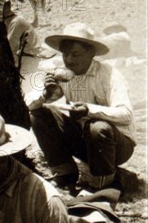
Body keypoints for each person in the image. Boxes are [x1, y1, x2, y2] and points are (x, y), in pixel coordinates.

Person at [26, 23, 136, 191]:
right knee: (39, 114)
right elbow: (29, 104)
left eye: (76, 54)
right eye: (65, 55)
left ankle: (102, 184)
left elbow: (126, 114)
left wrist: (88, 110)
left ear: (91, 52)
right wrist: (45, 94)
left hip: (117, 145)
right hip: (85, 142)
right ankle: (65, 174)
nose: (69, 60)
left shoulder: (109, 74)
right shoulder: (63, 74)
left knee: (97, 127)